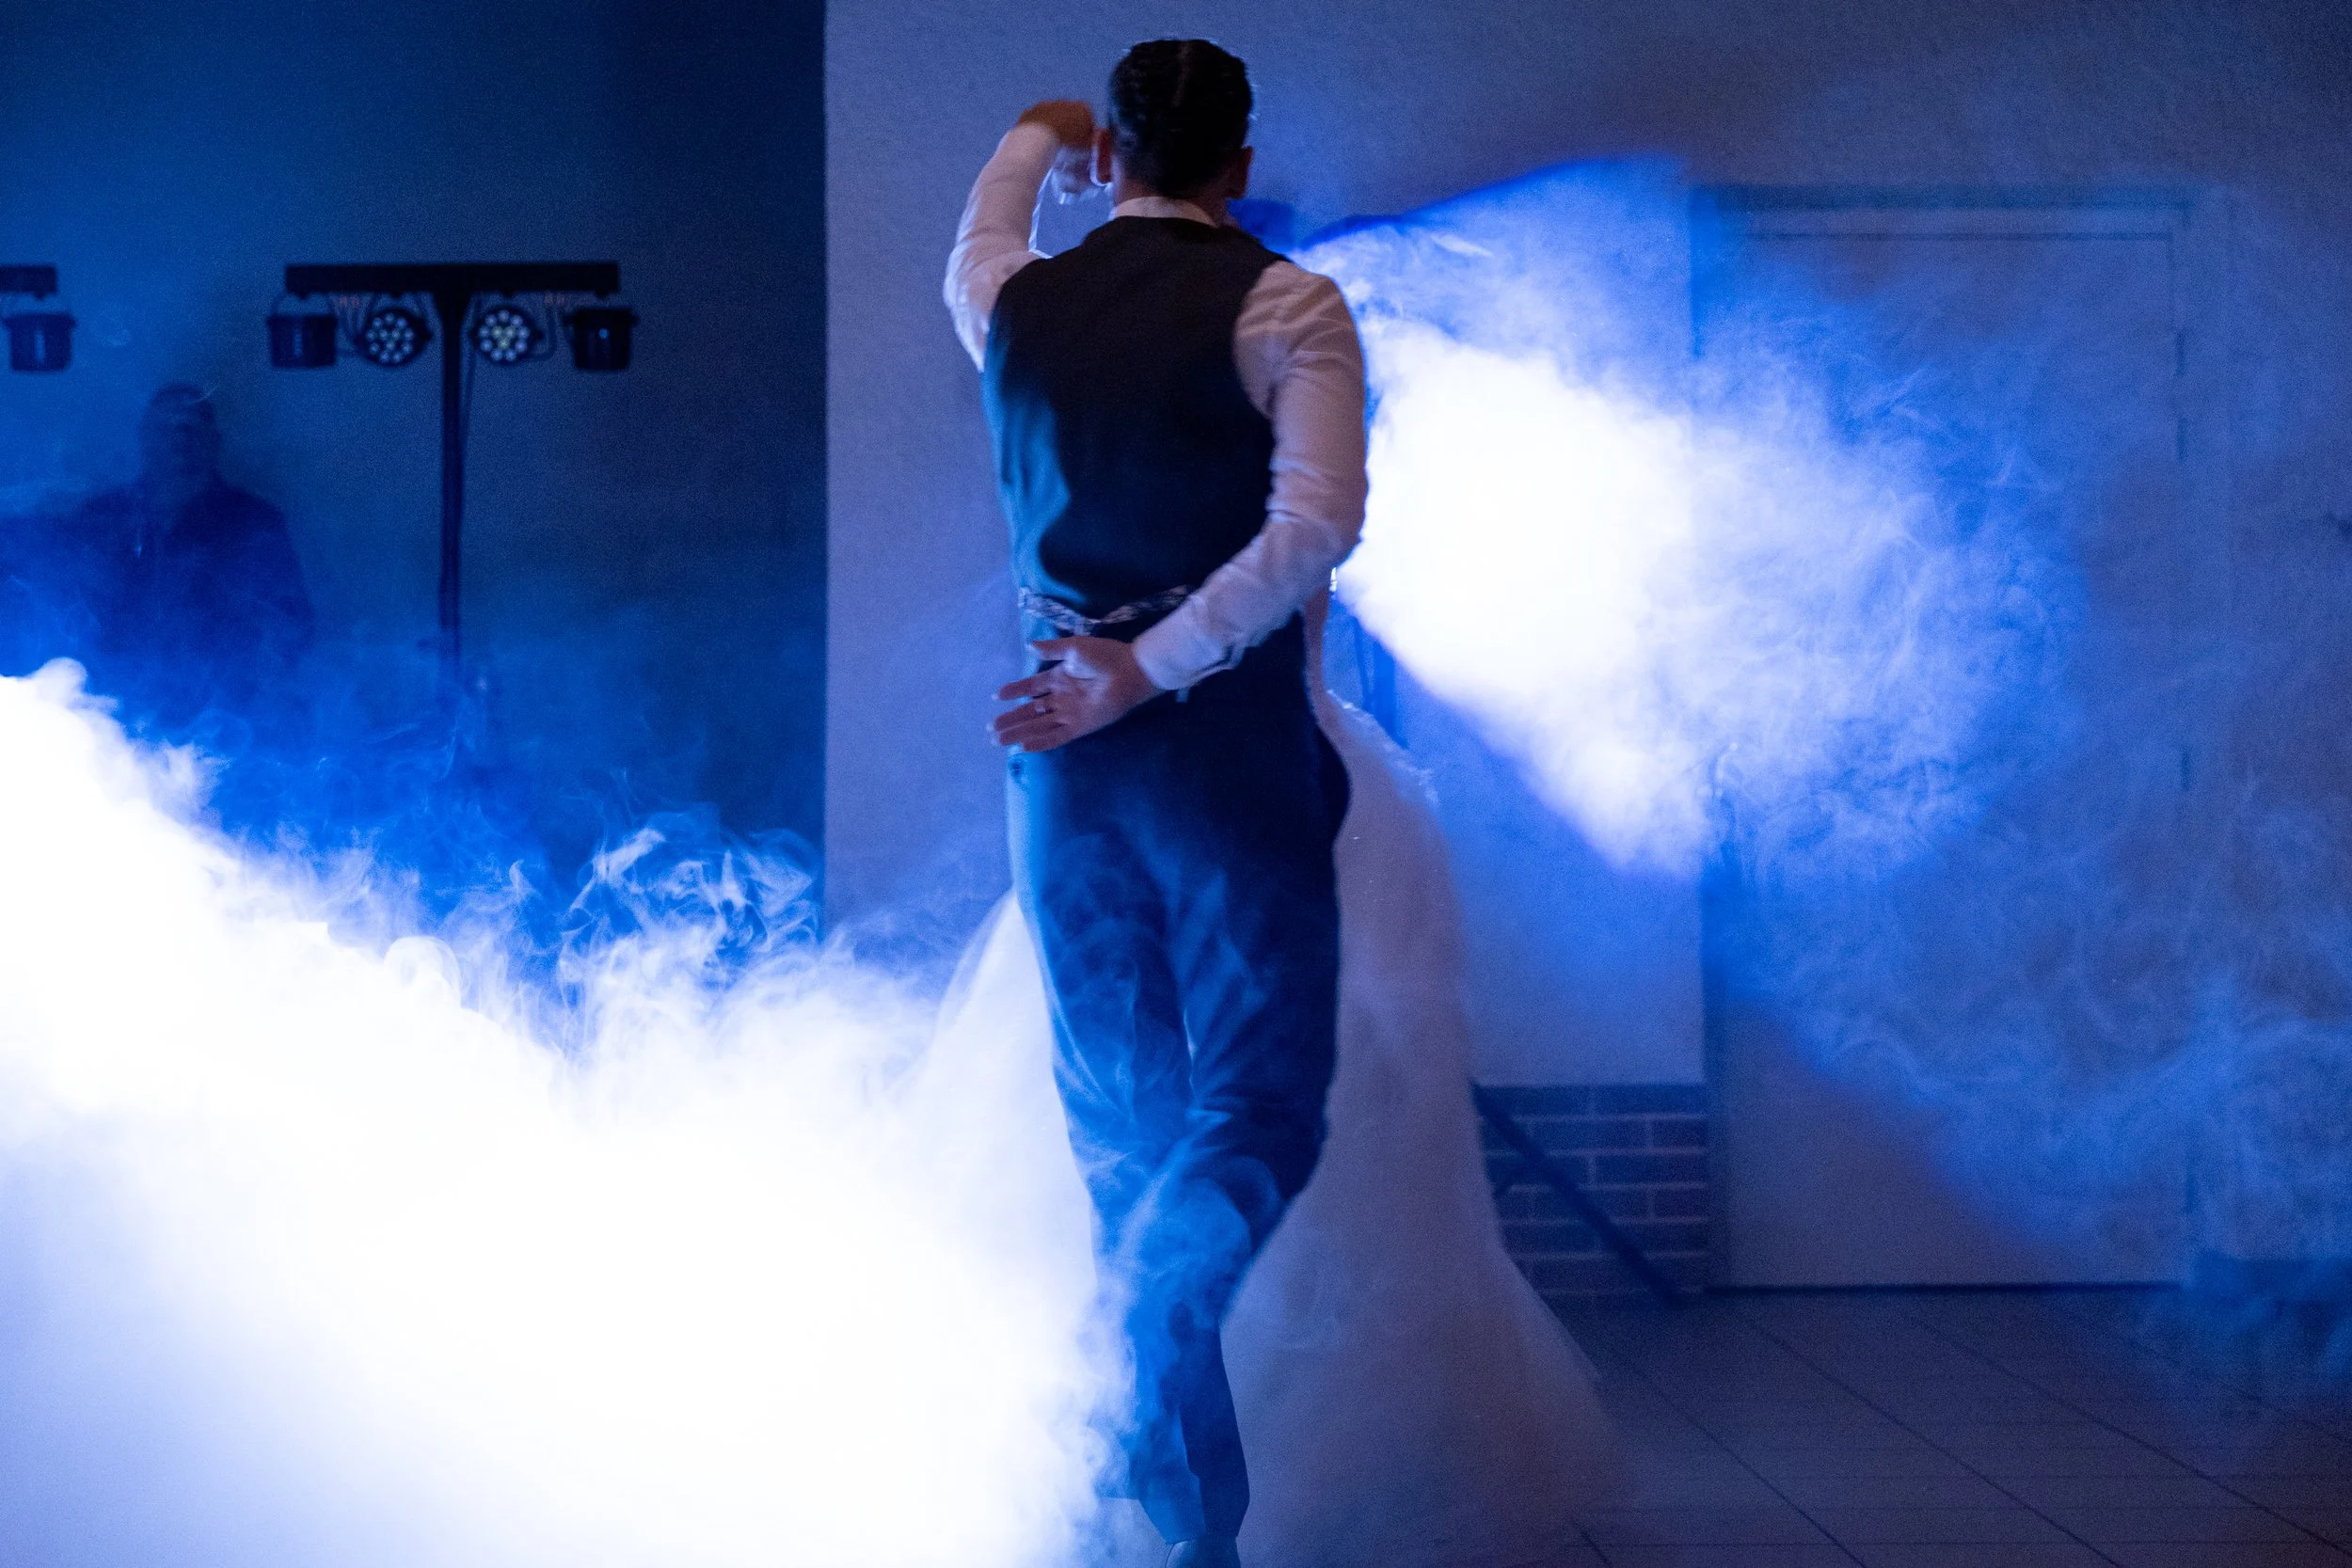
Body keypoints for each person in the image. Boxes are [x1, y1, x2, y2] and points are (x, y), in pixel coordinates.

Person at [946, 40, 1616, 1568]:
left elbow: (979, 235)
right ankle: (1203, 1470)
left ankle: (1165, 1467)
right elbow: (1315, 528)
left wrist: (1030, 135)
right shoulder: (1288, 307)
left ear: (1111, 154)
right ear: (1239, 165)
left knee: (1122, 1126)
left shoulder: (1012, 304)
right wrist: (1159, 664)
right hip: (1246, 762)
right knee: (1279, 1123)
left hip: (1062, 762)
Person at [71, 384, 313, 728]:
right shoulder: (103, 516)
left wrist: (255, 685)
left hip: (224, 716)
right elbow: (74, 610)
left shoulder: (253, 521)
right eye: (167, 426)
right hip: (117, 708)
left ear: (214, 440)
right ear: (144, 437)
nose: (180, 437)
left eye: (191, 425)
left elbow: (292, 621)